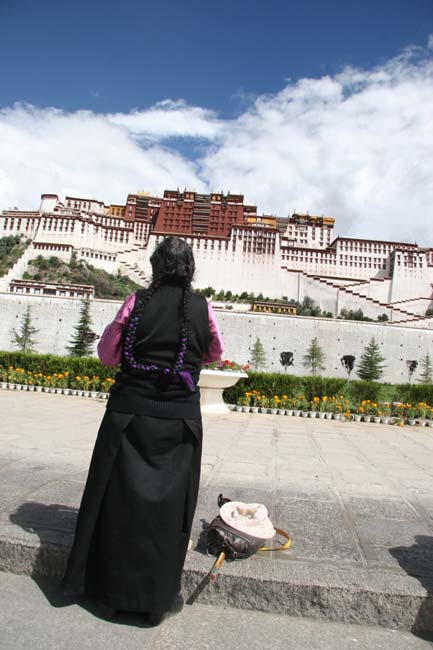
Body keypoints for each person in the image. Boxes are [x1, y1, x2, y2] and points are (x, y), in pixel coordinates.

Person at [62, 236, 224, 625]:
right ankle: (156, 600)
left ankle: (108, 596)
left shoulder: (136, 302)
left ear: (155, 267)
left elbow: (107, 355)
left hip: (128, 416)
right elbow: (215, 353)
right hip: (179, 421)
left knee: (117, 502)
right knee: (167, 510)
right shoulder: (202, 307)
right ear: (190, 270)